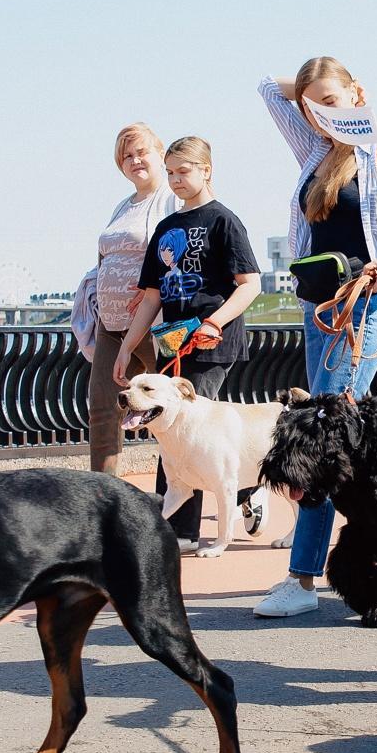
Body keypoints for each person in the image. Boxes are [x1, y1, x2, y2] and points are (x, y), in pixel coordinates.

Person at [251, 59, 377, 619]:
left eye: (332, 100)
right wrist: (316, 100)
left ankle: (304, 577)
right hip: (318, 310)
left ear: (357, 92)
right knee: (345, 442)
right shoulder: (314, 152)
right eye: (312, 106)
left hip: (366, 303)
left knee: (324, 435)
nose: (321, 113)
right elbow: (265, 86)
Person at [112, 136, 262, 548]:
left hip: (212, 340)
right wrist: (127, 346)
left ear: (206, 170)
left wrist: (214, 321)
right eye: (171, 172)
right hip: (170, 342)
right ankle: (250, 487)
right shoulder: (166, 228)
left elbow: (250, 285)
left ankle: (179, 532)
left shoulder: (223, 221)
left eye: (184, 171)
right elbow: (152, 297)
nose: (176, 180)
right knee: (176, 431)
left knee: (186, 430)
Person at [73, 122, 175, 473]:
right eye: (126, 156)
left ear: (160, 153)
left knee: (172, 411)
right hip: (111, 324)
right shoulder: (123, 205)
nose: (135, 160)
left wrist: (151, 289)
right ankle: (102, 495)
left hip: (156, 324)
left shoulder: (172, 198)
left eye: (141, 152)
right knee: (103, 406)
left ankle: (188, 491)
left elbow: (183, 254)